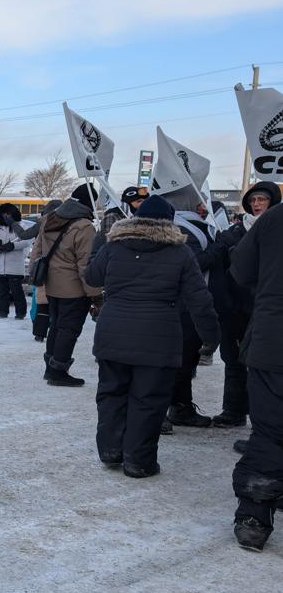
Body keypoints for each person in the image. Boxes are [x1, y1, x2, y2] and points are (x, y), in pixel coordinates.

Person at [85, 195, 219, 478]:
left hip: (113, 333)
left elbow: (92, 277)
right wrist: (211, 337)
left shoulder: (114, 246)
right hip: (158, 337)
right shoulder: (180, 252)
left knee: (111, 393)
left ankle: (111, 450)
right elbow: (200, 300)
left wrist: (101, 244)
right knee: (149, 399)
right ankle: (139, 461)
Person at [227, 197, 283, 551]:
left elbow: (241, 270)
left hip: (274, 339)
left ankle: (254, 516)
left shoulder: (275, 218)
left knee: (271, 429)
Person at [28, 185, 101, 385]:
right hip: (74, 288)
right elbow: (85, 265)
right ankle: (58, 372)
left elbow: (39, 251)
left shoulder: (50, 219)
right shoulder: (84, 226)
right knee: (69, 329)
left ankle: (50, 367)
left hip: (51, 285)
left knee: (57, 327)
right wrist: (95, 294)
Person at [164, 198, 220, 427]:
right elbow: (195, 263)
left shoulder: (196, 227)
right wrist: (218, 248)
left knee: (185, 361)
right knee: (167, 365)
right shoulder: (177, 232)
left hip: (181, 308)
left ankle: (180, 407)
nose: (202, 207)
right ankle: (160, 414)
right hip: (173, 309)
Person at [0, 202, 33, 320]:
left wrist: (12, 246)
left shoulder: (21, 226)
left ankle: (20, 313)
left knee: (17, 292)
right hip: (0, 266)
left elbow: (27, 241)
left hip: (14, 266)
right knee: (2, 292)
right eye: (3, 215)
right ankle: (2, 312)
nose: (5, 217)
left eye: (7, 215)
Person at [27, 199, 62, 342]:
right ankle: (57, 332)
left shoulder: (44, 224)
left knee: (42, 303)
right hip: (63, 270)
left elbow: (36, 249)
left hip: (44, 269)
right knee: (59, 303)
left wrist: (31, 269)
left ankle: (39, 334)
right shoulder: (73, 224)